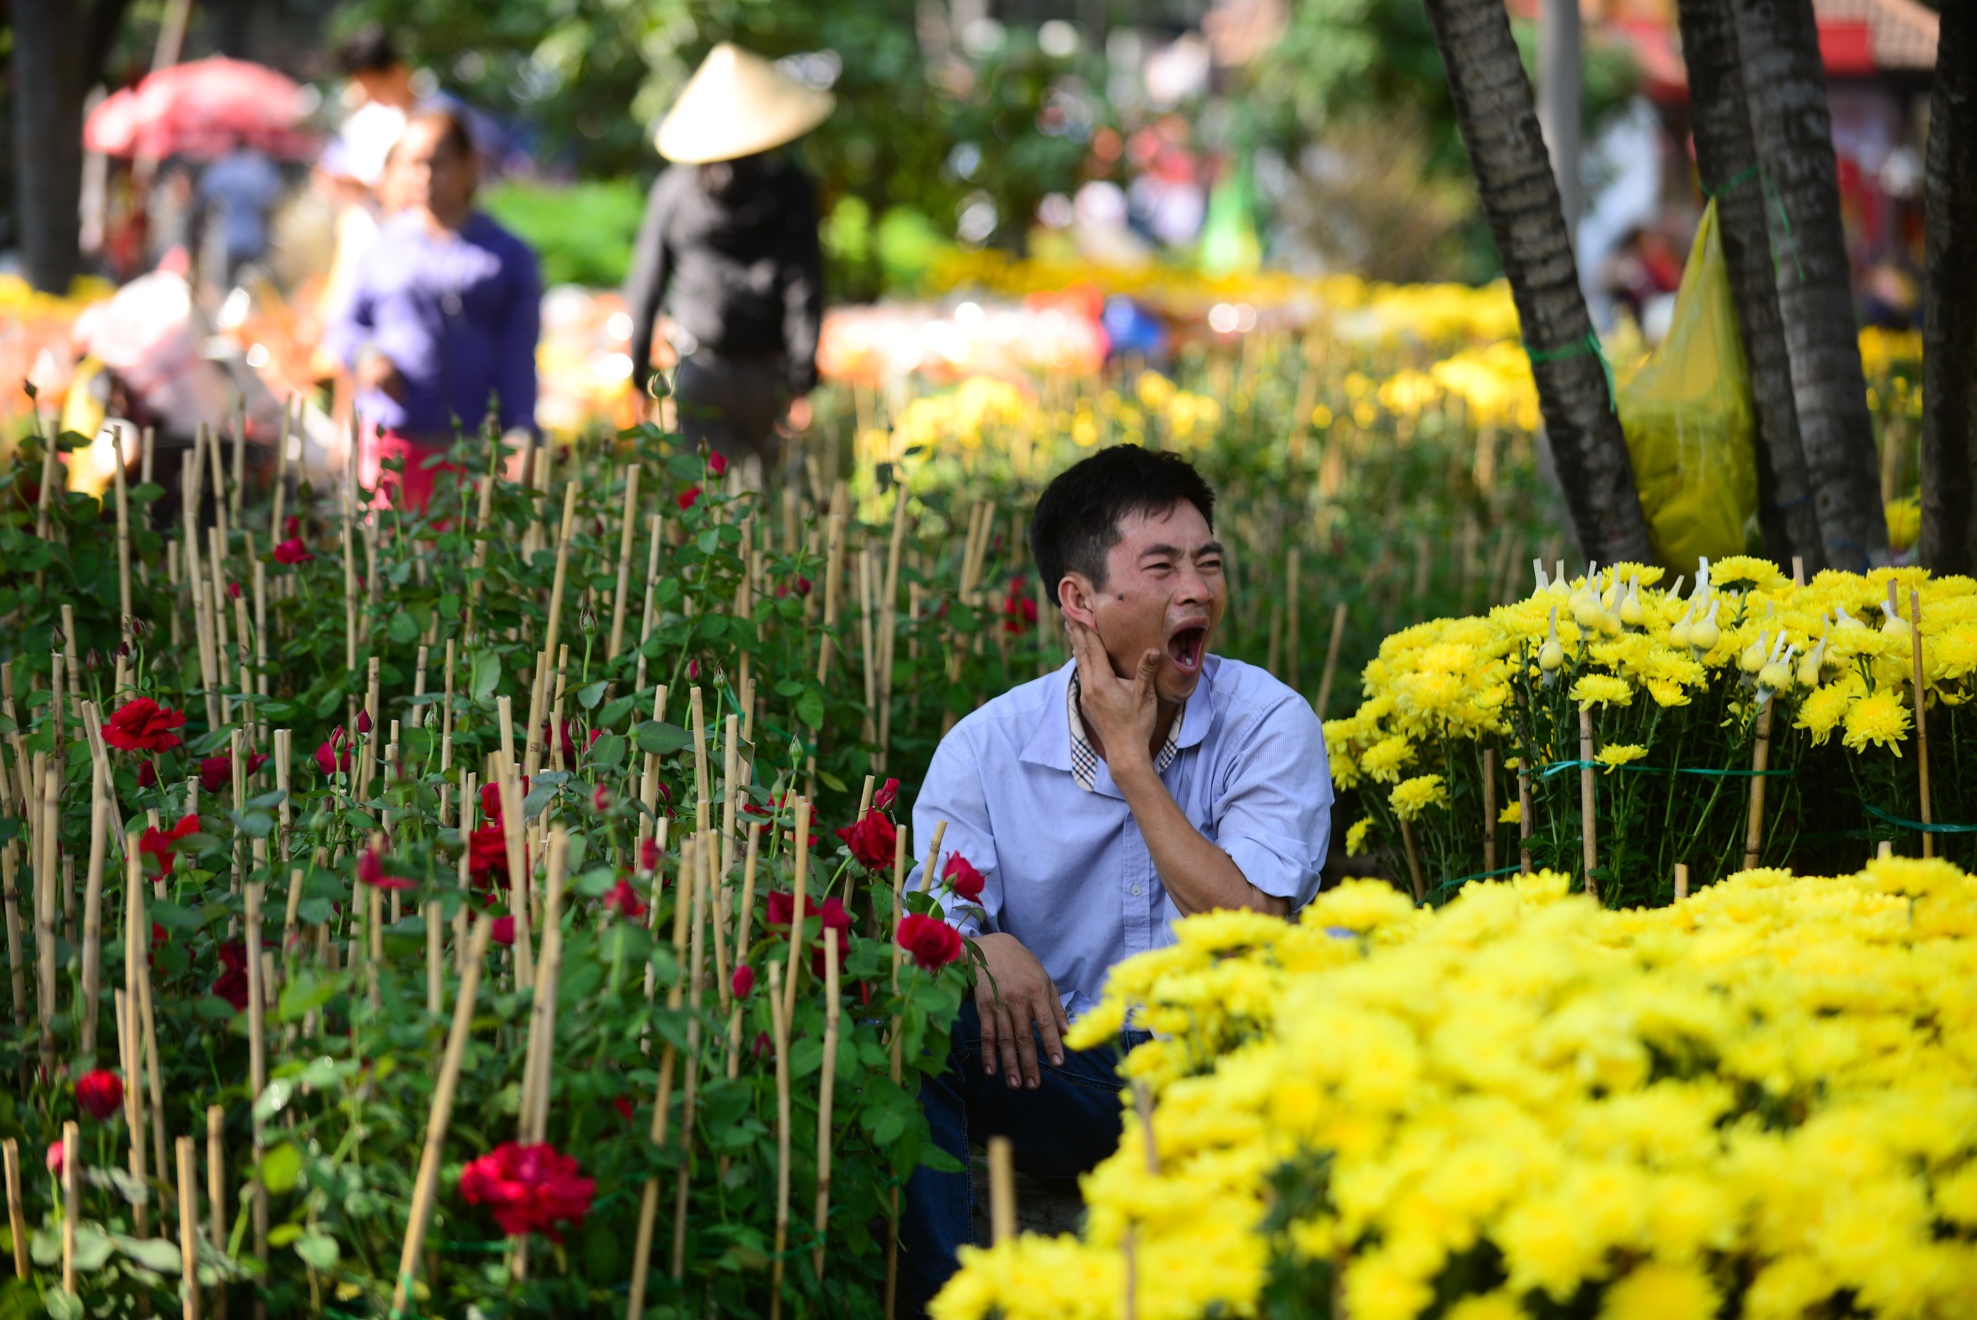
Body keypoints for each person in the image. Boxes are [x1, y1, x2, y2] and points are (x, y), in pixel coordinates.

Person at [899, 446, 1333, 1315]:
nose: (1198, 590)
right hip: (1067, 1075)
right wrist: (982, 947)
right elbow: (931, 918)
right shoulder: (987, 748)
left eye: (1208, 562)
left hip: (1227, 1078)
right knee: (918, 1020)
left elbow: (1247, 925)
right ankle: (946, 1304)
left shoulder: (1269, 723)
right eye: (1162, 565)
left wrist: (1132, 762)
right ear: (1079, 600)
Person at [624, 43, 829, 471]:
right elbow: (804, 289)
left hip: (701, 370)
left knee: (702, 502)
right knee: (770, 507)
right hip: (767, 375)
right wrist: (801, 381)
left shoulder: (674, 191)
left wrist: (638, 376)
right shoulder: (790, 191)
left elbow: (645, 285)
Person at [324, 107, 540, 509]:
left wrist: (521, 430)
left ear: (469, 164)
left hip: (472, 448)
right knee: (389, 562)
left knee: (462, 563)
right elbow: (344, 327)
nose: (424, 177)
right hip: (393, 444)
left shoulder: (507, 254)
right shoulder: (380, 248)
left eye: (437, 163)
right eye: (413, 164)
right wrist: (369, 357)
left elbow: (519, 353)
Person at [196, 140, 284, 283]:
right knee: (255, 286)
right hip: (256, 237)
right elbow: (274, 198)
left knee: (230, 287)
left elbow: (205, 193)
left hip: (229, 237)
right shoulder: (260, 168)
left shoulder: (223, 168)